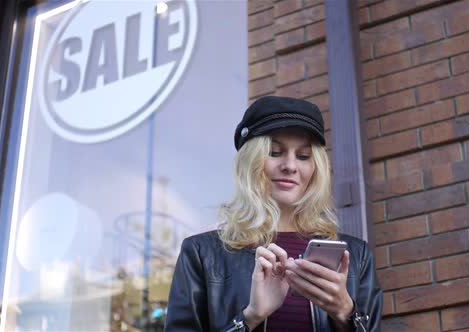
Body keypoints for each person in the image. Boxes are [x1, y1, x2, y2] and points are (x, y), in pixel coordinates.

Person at [164, 96, 382, 331]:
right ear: (251, 162)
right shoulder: (202, 254)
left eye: (303, 156)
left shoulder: (356, 257)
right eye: (275, 152)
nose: (290, 165)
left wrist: (345, 314)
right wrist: (249, 317)